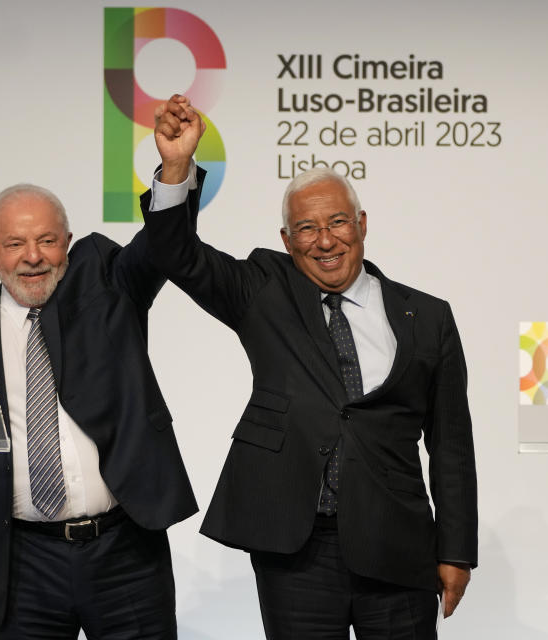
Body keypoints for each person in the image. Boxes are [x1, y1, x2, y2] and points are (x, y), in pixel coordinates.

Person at [141, 95, 477, 639]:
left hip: (398, 544)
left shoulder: (428, 317)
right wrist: (177, 167)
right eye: (306, 229)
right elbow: (176, 253)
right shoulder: (262, 289)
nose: (325, 241)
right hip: (295, 549)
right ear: (286, 240)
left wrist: (457, 550)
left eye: (339, 222)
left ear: (363, 224)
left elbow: (452, 445)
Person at [0, 183, 197, 639]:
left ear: (67, 244)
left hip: (125, 553)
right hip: (24, 563)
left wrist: (173, 172)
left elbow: (162, 245)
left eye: (47, 241)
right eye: (14, 244)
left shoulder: (110, 292)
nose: (33, 257)